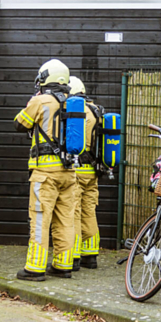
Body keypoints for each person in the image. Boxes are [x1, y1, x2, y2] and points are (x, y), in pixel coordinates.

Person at [13, 59, 77, 281]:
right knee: (66, 219)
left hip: (45, 173)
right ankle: (63, 264)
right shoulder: (75, 103)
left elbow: (20, 123)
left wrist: (31, 103)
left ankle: (35, 268)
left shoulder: (40, 101)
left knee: (40, 218)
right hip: (70, 173)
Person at [69, 76, 102, 270]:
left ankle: (73, 256)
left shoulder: (77, 111)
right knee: (89, 211)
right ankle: (91, 255)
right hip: (93, 170)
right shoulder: (96, 110)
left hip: (77, 169)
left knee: (73, 212)